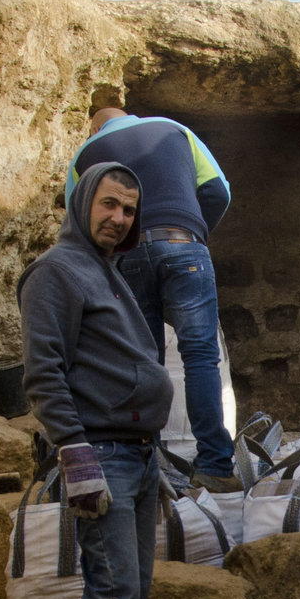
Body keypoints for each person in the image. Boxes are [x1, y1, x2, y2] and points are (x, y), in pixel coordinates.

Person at [18, 160, 170, 599]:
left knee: (133, 595)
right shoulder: (55, 272)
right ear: (84, 203)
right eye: (109, 205)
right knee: (113, 596)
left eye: (129, 210)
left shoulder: (106, 271)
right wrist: (73, 449)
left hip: (136, 453)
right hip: (100, 453)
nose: (118, 219)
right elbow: (43, 372)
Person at [68, 107, 236, 490]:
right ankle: (215, 468)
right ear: (132, 116)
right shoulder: (176, 129)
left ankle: (149, 468)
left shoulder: (85, 153)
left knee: (144, 363)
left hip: (127, 259)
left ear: (95, 128)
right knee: (200, 357)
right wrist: (192, 227)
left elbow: (77, 220)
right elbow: (217, 190)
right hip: (183, 246)